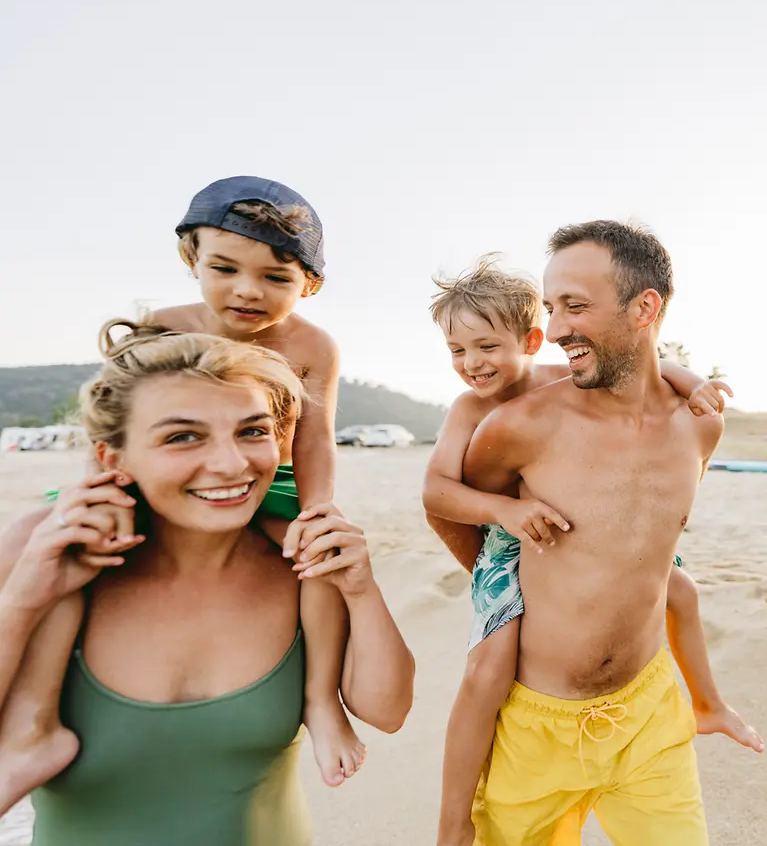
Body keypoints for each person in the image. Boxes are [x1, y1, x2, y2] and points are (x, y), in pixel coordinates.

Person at [0, 176, 362, 811]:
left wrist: (316, 510)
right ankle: (31, 721)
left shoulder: (312, 345)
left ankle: (321, 703)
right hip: (148, 477)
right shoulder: (161, 326)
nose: (248, 291)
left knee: (316, 564)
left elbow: (315, 438)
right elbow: (113, 420)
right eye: (225, 268)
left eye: (276, 278)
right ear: (190, 259)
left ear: (309, 285)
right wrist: (96, 493)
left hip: (264, 480)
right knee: (74, 548)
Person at [0, 321, 414, 846]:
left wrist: (362, 589)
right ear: (113, 458)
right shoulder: (41, 549)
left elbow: (389, 710)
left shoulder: (297, 558)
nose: (230, 463)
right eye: (182, 436)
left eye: (253, 431)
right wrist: (22, 600)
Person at [428, 223, 762, 846]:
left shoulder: (700, 428)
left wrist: (688, 379)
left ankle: (707, 704)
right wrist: (503, 582)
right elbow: (448, 503)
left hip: (649, 718)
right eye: (552, 310)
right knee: (486, 667)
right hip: (535, 732)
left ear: (645, 307)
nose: (554, 330)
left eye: (573, 307)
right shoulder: (514, 424)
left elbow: (650, 543)